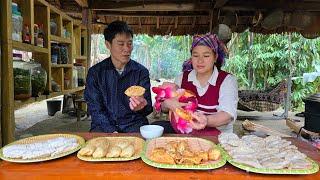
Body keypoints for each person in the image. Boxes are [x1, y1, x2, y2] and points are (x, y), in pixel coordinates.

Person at [155, 33, 238, 135]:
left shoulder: (227, 81)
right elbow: (164, 107)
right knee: (158, 125)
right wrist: (167, 104)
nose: (200, 60)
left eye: (206, 55)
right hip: (187, 134)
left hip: (218, 138)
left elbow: (227, 115)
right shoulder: (182, 78)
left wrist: (206, 120)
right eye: (195, 55)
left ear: (215, 57)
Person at [84, 20, 153, 133]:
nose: (127, 49)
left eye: (129, 43)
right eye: (121, 44)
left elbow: (148, 107)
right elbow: (95, 109)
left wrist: (142, 107)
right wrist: (112, 131)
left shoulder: (141, 72)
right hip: (103, 127)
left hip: (133, 126)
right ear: (108, 45)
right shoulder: (95, 73)